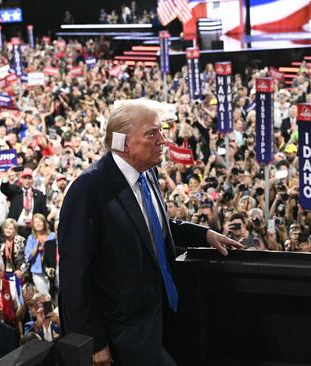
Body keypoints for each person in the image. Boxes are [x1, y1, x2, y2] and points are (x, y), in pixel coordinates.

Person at [58, 99, 243, 366]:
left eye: (161, 131)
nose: (163, 140)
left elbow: (152, 227)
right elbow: (75, 278)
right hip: (123, 333)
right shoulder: (88, 190)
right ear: (123, 142)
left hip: (161, 319)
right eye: (152, 133)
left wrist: (201, 234)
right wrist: (94, 342)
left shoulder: (147, 173)